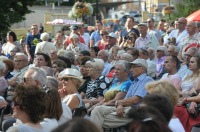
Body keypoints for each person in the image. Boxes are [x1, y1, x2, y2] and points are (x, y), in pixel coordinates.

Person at [90, 58, 153, 130]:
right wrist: (120, 105)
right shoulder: (134, 81)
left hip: (137, 110)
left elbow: (135, 100)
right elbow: (126, 98)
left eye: (133, 67)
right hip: (126, 108)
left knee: (98, 118)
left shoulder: (147, 80)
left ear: (141, 68)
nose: (131, 70)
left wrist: (118, 103)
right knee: (98, 109)